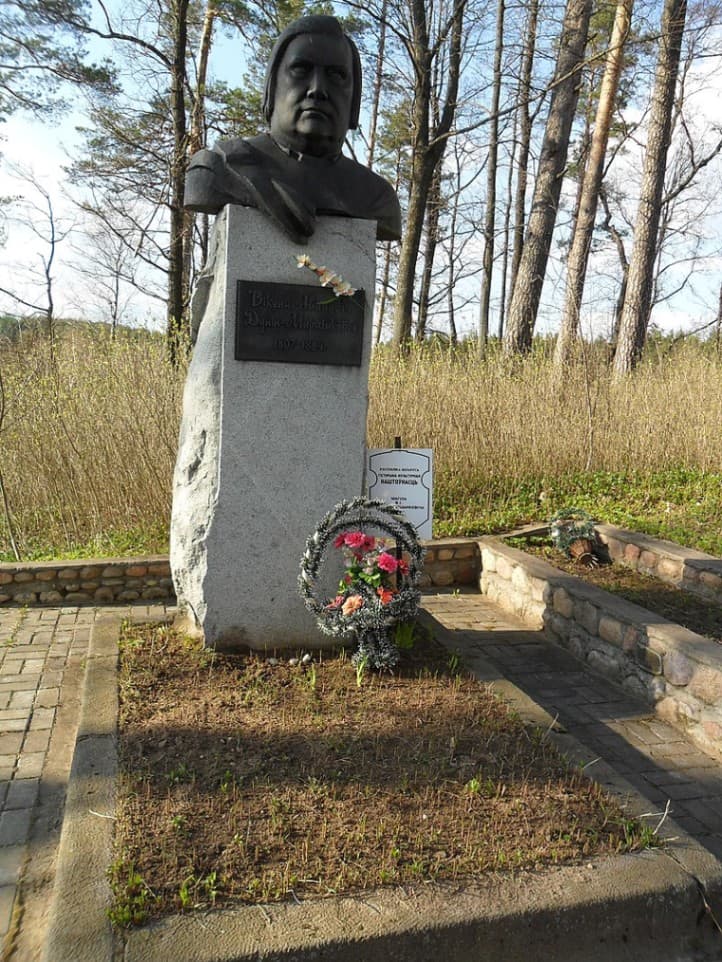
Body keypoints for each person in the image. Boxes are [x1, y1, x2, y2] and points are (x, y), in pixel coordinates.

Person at [184, 15, 401, 243]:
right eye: (301, 69)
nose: (317, 89)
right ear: (272, 86)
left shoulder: (375, 198)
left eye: (336, 75)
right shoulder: (218, 169)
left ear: (354, 99)